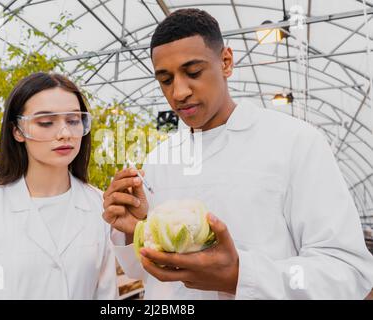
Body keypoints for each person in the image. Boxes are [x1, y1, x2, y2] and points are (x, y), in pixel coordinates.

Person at [102, 9, 373, 299]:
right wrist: (136, 230)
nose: (178, 92)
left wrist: (241, 275)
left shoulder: (296, 143)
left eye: (193, 72)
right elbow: (142, 272)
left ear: (226, 62)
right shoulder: (159, 158)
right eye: (165, 80)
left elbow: (346, 271)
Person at [0, 72, 118, 299]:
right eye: (46, 122)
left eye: (73, 120)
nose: (65, 133)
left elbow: (106, 295)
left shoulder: (100, 204)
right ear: (18, 131)